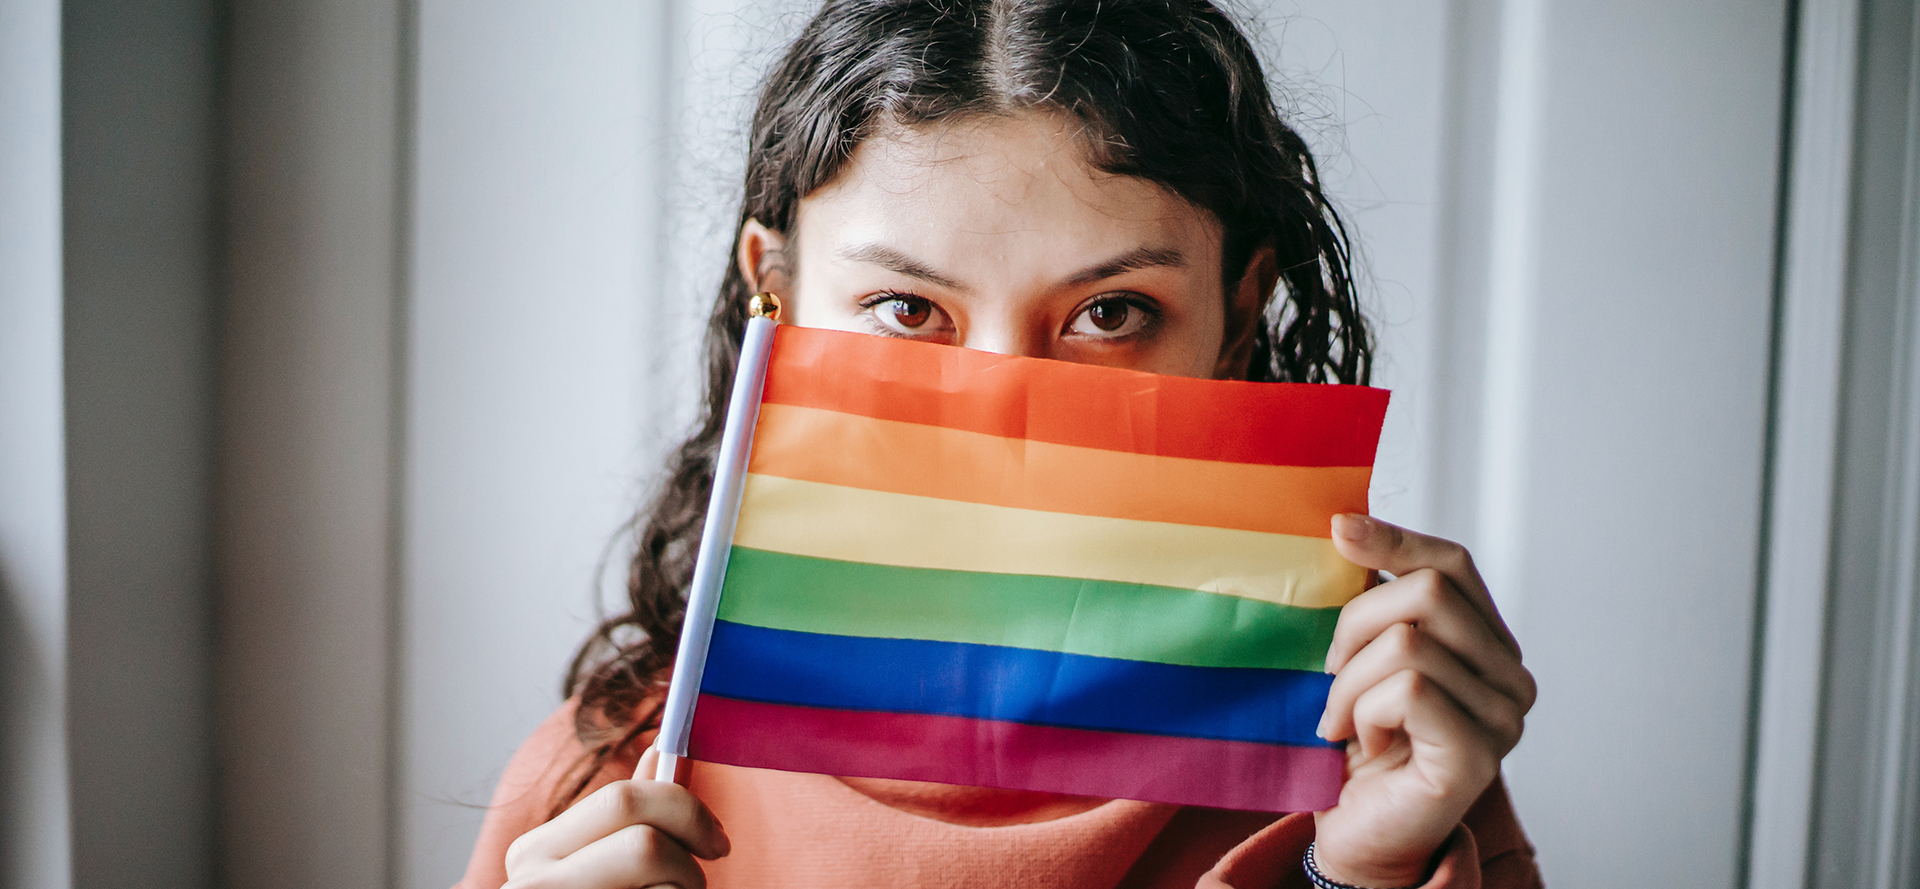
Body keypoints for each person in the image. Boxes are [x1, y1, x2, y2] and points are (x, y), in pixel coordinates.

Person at [457, 1, 1541, 887]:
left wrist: (1358, 876)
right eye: (905, 309)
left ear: (1239, 313)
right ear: (773, 296)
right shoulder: (601, 782)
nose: (1002, 404)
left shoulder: (1382, 759)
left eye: (1109, 313)